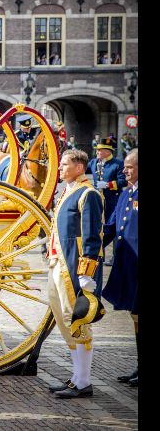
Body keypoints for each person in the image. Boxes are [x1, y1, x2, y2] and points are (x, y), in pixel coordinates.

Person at [46, 149, 104, 399]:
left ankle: (83, 381)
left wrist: (86, 272)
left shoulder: (88, 193)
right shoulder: (68, 191)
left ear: (79, 167)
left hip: (73, 265)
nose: (60, 169)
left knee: (78, 320)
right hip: (58, 261)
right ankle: (76, 376)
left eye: (65, 164)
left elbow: (92, 234)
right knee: (63, 318)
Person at [102, 149, 138, 387]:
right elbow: (111, 227)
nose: (124, 171)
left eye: (130, 167)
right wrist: (90, 245)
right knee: (135, 317)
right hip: (127, 266)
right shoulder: (126, 194)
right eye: (124, 166)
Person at [86, 139, 126, 234]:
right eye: (97, 150)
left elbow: (123, 181)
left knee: (113, 227)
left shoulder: (118, 164)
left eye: (99, 150)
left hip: (112, 201)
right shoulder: (93, 162)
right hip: (97, 200)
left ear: (107, 151)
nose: (97, 152)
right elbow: (82, 170)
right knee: (97, 227)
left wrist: (108, 184)